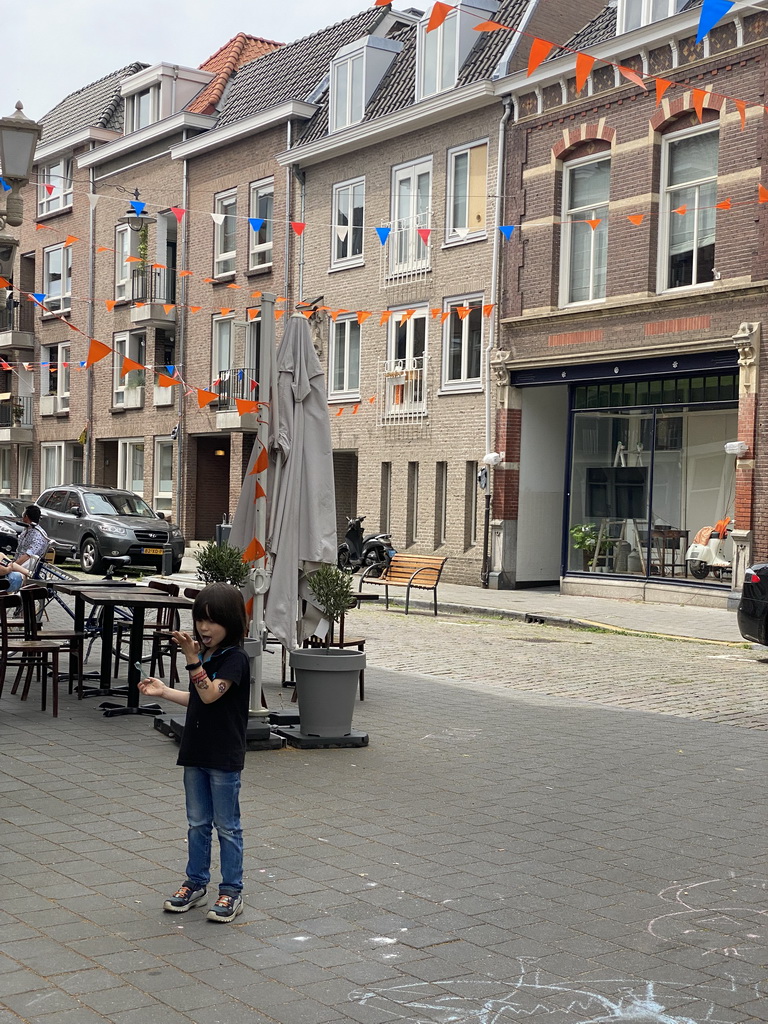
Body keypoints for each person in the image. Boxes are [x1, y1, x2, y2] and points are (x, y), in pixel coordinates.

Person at [138, 582, 250, 923]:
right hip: (196, 750)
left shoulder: (235, 659)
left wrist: (190, 659)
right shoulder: (206, 657)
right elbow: (200, 700)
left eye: (213, 620)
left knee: (227, 826)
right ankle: (196, 883)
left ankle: (231, 890)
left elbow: (212, 693)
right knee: (197, 823)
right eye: (200, 618)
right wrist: (164, 692)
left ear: (231, 622)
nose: (204, 627)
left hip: (223, 755)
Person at [0, 505, 49, 593]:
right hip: (20, 563)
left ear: (26, 516)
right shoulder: (27, 530)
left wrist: (13, 565)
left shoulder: (38, 534)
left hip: (29, 565)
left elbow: (28, 556)